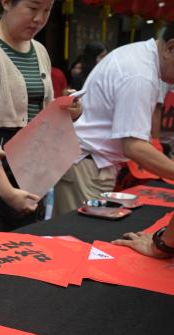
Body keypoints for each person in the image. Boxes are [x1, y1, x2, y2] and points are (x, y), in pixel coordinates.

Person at [0, 0, 81, 237]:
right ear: (7, 2)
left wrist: (66, 112)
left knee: (26, 252)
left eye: (47, 11)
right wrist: (7, 191)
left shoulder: (39, 51)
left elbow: (40, 116)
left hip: (27, 168)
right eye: (32, 8)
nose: (39, 19)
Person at [53, 24, 174, 216]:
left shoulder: (139, 55)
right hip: (87, 166)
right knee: (76, 239)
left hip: (90, 164)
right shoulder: (140, 74)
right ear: (170, 48)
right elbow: (134, 146)